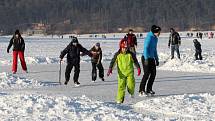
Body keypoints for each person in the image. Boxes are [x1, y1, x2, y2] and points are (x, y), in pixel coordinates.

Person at [107, 39, 141, 104]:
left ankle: (131, 92)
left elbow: (135, 61)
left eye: (126, 48)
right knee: (121, 86)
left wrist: (138, 68)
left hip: (129, 73)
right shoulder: (117, 54)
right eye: (123, 48)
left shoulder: (130, 54)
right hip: (121, 74)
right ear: (120, 47)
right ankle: (119, 100)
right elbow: (113, 62)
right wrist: (110, 69)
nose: (124, 50)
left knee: (131, 84)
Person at [139, 25, 161, 96]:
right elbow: (146, 48)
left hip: (152, 58)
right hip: (146, 58)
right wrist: (146, 59)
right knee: (146, 74)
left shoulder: (155, 38)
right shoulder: (149, 37)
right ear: (155, 32)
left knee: (153, 74)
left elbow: (154, 50)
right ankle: (141, 90)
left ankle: (149, 89)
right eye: (158, 32)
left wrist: (156, 59)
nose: (159, 33)